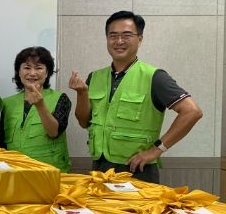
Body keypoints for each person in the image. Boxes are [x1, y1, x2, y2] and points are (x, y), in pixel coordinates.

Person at [69, 10, 202, 183]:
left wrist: (156, 150)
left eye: (127, 35)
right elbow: (83, 122)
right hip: (100, 170)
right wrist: (81, 93)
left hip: (137, 171)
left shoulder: (154, 76)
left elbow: (192, 112)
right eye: (113, 35)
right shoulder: (95, 77)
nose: (119, 41)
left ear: (140, 39)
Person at [0, 46, 71, 172]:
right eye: (27, 68)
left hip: (50, 172)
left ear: (47, 73)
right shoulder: (6, 103)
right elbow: (1, 143)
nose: (32, 73)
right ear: (19, 72)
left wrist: (40, 105)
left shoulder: (60, 98)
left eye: (38, 68)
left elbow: (54, 132)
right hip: (15, 171)